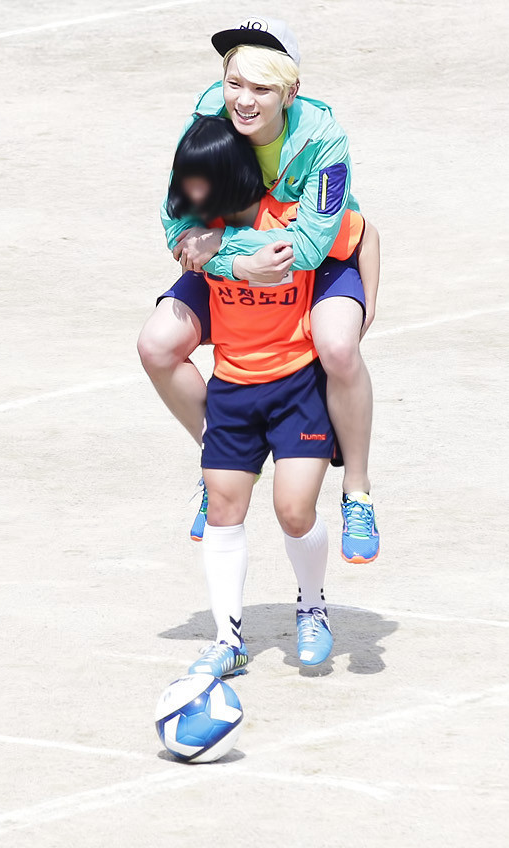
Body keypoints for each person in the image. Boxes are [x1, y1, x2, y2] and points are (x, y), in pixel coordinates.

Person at [137, 17, 382, 563]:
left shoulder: (323, 138)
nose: (243, 101)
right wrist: (240, 263)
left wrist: (225, 248)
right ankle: (223, 460)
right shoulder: (207, 117)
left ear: (290, 93)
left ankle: (358, 491)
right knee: (156, 346)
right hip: (239, 264)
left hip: (316, 261)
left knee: (338, 347)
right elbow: (178, 223)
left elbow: (311, 246)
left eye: (262, 88)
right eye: (234, 82)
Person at [165, 115, 366, 675]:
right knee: (224, 510)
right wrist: (220, 246)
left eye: (201, 185)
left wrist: (366, 307)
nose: (189, 197)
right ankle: (228, 640)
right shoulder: (199, 236)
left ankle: (313, 606)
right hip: (231, 389)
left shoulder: (298, 221)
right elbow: (177, 232)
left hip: (297, 386)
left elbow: (364, 236)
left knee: (294, 511)